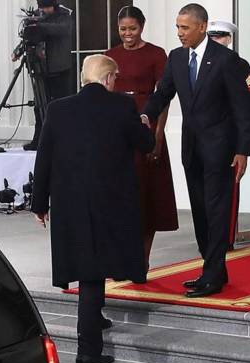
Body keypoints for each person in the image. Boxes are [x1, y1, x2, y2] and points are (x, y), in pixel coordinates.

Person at [32, 54, 154, 363]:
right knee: (92, 272)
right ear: (108, 78)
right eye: (115, 78)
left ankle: (95, 318)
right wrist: (144, 124)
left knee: (89, 266)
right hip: (109, 204)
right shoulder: (122, 107)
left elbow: (43, 158)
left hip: (70, 205)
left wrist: (38, 204)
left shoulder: (58, 109)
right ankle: (87, 351)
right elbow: (145, 144)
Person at [142, 3, 250, 298]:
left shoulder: (227, 60)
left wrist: (243, 150)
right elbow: (162, 94)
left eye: (185, 28)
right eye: (177, 28)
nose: (179, 33)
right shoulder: (177, 58)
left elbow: (243, 109)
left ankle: (212, 276)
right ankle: (213, 267)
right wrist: (144, 116)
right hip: (192, 149)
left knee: (217, 212)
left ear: (202, 27)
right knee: (201, 212)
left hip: (221, 151)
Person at [106, 6, 178, 270]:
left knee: (147, 197)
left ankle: (142, 259)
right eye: (122, 29)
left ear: (142, 27)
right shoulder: (110, 55)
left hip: (147, 127)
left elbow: (165, 98)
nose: (127, 34)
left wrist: (158, 136)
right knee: (119, 196)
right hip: (116, 131)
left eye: (132, 29)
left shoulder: (157, 54)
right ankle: (120, 257)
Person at [23, 0, 76, 150]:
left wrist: (40, 25)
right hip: (41, 69)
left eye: (47, 7)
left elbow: (63, 30)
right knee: (39, 106)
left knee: (61, 106)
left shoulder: (64, 15)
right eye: (41, 7)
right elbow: (31, 37)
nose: (44, 10)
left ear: (54, 6)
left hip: (60, 68)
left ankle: (63, 140)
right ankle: (38, 139)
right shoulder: (38, 17)